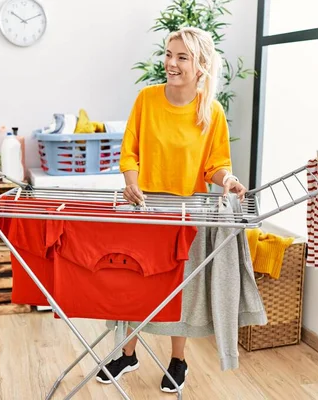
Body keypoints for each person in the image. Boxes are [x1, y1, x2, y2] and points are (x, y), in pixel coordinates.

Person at [95, 27, 248, 393]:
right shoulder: (147, 99)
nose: (171, 63)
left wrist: (226, 179)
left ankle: (178, 360)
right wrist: (132, 181)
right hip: (145, 205)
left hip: (186, 210)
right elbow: (129, 150)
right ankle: (127, 353)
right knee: (134, 282)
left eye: (182, 57)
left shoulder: (210, 112)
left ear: (200, 66)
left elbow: (215, 164)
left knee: (179, 288)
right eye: (168, 54)